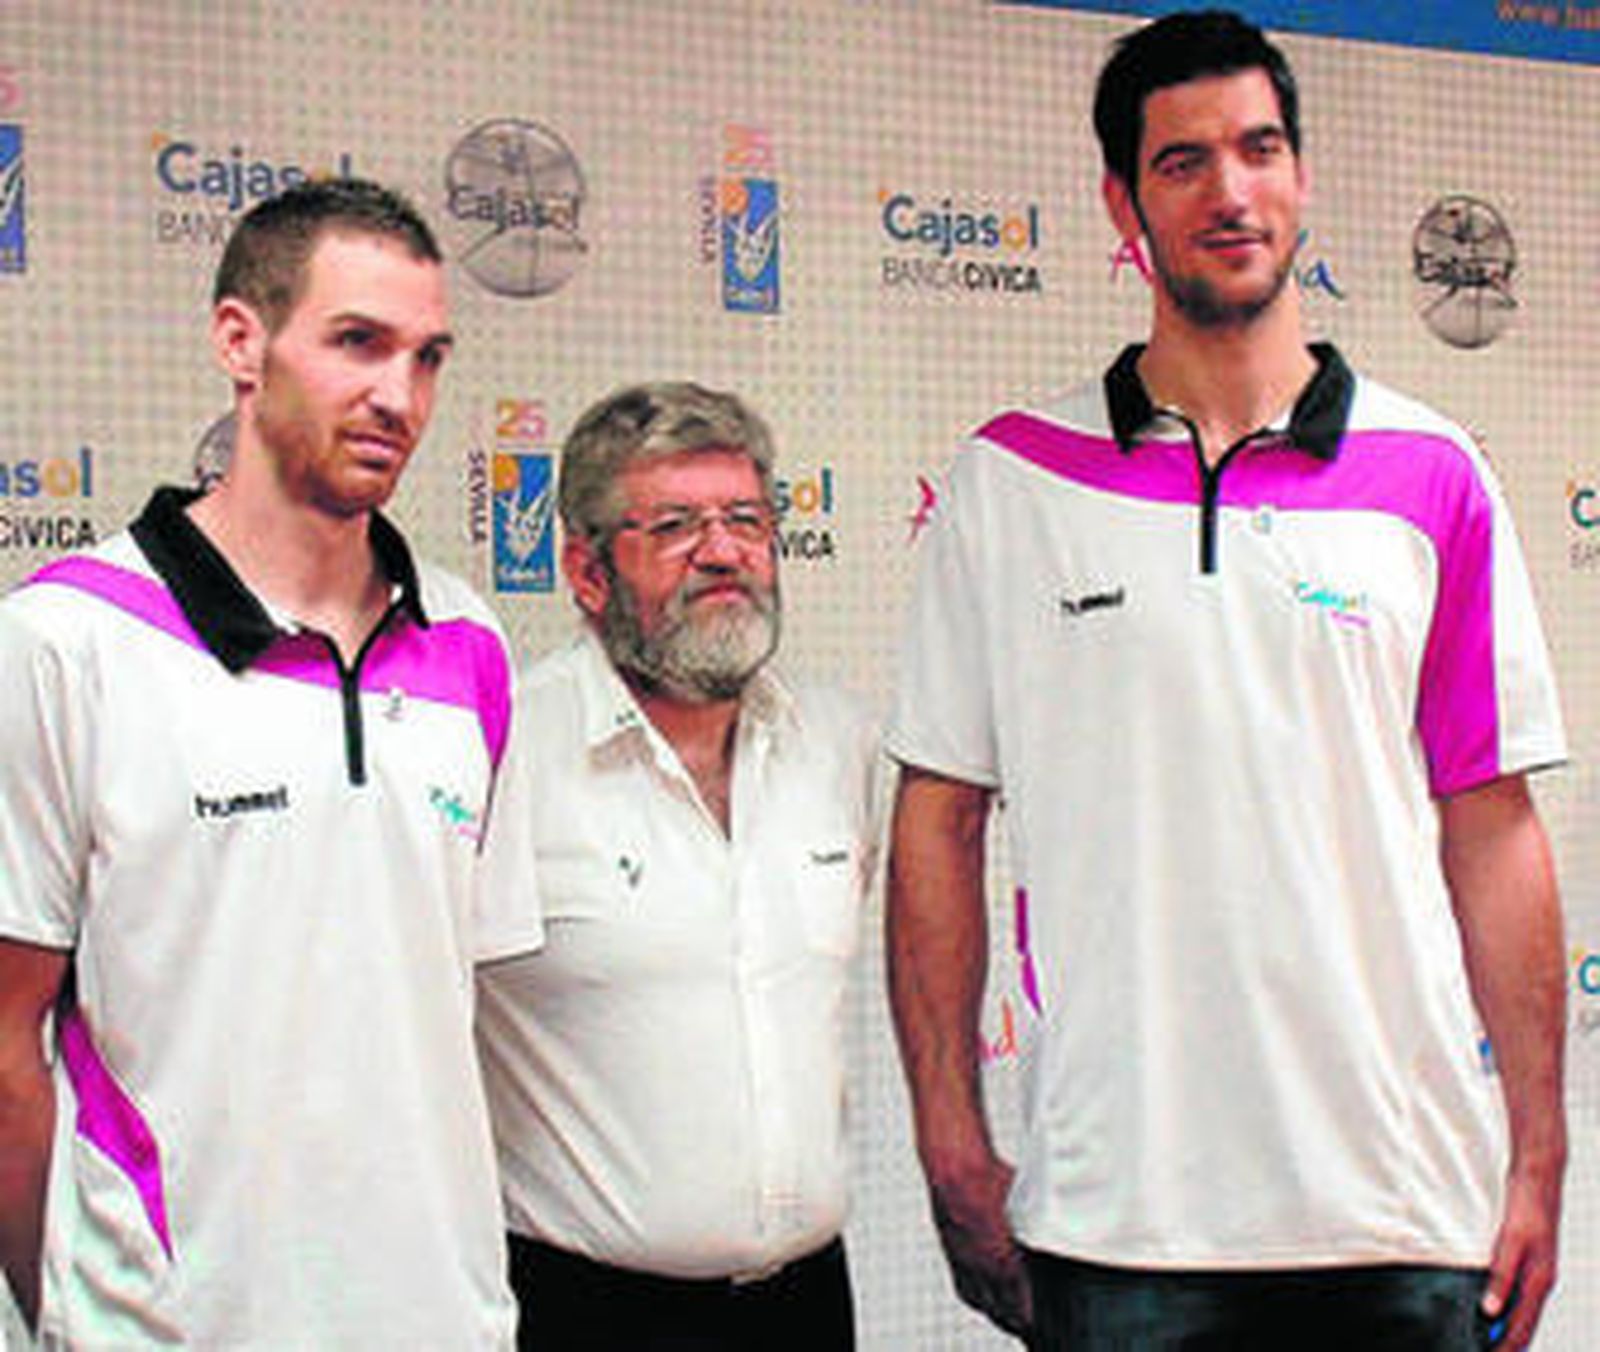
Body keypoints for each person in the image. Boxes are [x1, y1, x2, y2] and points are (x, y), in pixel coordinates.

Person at [886, 10, 1568, 1350]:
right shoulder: (1011, 482)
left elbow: (1492, 827)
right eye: (1183, 161)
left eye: (1259, 149)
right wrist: (950, 1135)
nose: (1231, 191)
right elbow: (938, 820)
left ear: (1302, 177)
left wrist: (1538, 1154)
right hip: (1121, 1222)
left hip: (1404, 1215)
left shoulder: (1435, 475)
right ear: (1122, 203)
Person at [0, 178, 539, 1347]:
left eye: (427, 357)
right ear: (239, 341)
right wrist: (70, 1314)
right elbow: (7, 1040)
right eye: (357, 342)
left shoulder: (473, 644)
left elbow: (448, 1020)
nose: (398, 395)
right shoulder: (68, 637)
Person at [476, 382, 880, 1350]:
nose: (723, 550)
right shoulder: (500, 755)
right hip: (583, 1313)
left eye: (745, 518)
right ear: (584, 569)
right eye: (675, 526)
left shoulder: (838, 744)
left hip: (808, 1308)